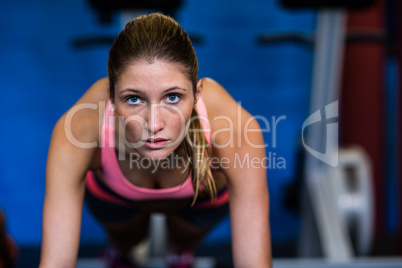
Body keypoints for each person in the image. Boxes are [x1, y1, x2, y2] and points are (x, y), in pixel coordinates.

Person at [40, 13, 271, 268]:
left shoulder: (233, 126)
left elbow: (254, 264)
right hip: (115, 196)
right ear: (111, 97)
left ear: (197, 94)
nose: (153, 124)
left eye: (172, 97)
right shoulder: (80, 128)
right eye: (134, 99)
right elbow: (55, 263)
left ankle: (181, 251)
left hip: (201, 197)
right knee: (125, 238)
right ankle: (123, 252)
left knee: (186, 237)